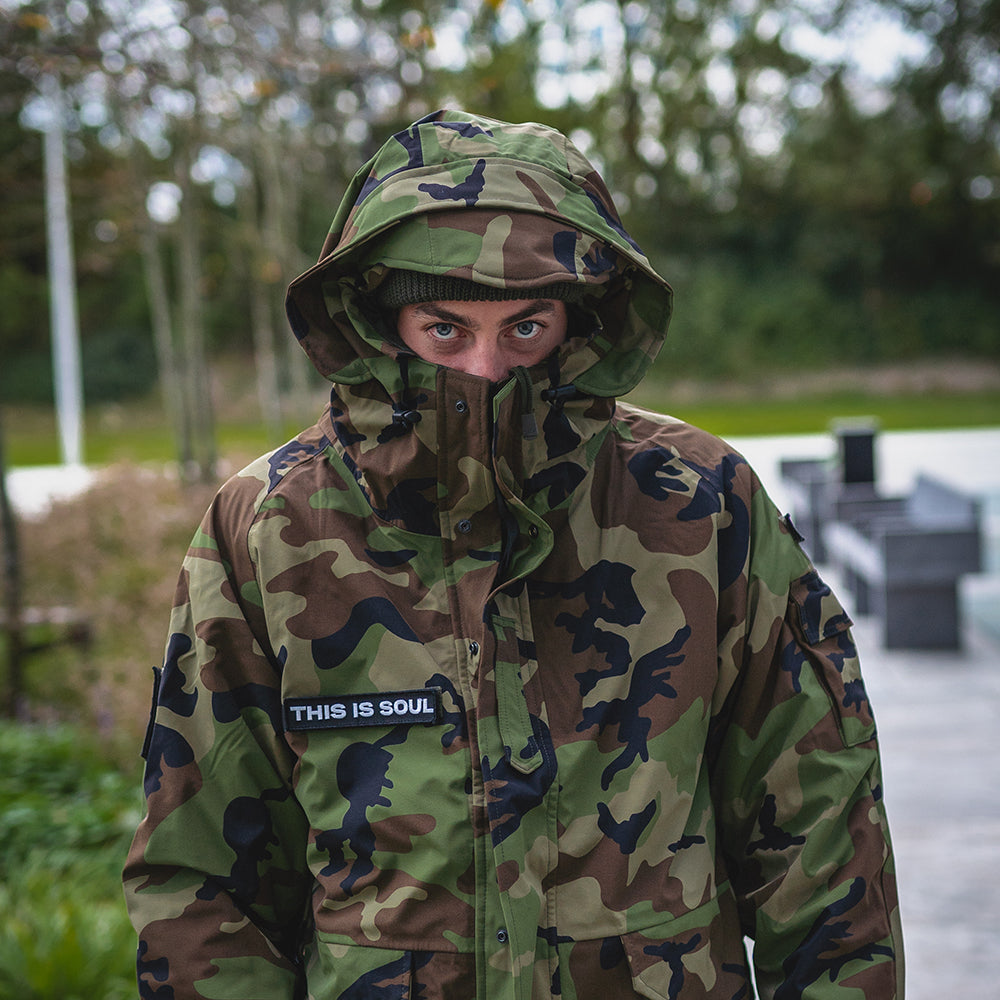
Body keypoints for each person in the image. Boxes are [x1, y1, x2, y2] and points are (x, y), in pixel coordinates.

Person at [123, 110, 903, 999]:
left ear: (584, 321)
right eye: (445, 330)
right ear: (378, 322)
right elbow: (200, 884)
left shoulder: (701, 502)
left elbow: (825, 843)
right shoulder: (269, 526)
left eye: (527, 329)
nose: (487, 371)